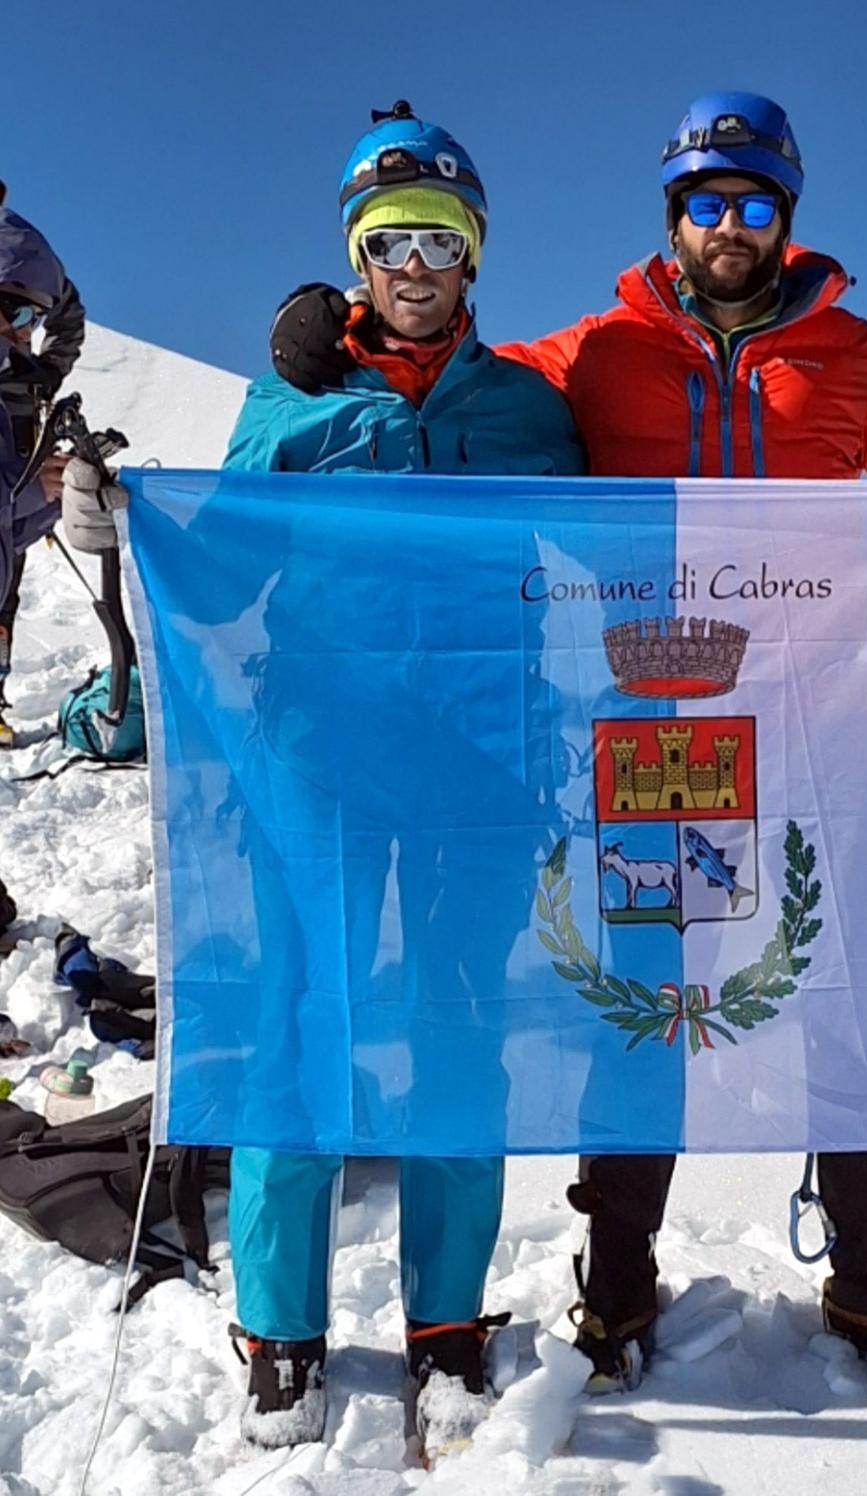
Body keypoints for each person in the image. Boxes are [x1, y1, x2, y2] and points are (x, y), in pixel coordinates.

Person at [273, 90, 867, 1407]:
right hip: (661, 741)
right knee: (646, 1009)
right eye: (707, 202)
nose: (730, 225)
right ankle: (616, 1283)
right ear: (674, 215)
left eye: (755, 202)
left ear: (787, 216)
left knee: (857, 1004)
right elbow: (451, 374)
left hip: (827, 732)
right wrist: (325, 328)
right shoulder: (596, 354)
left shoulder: (850, 353)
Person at [61, 102, 583, 1457]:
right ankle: (280, 1323)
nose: (417, 264)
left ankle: (447, 1322)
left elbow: (604, 553)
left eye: (443, 239)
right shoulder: (292, 402)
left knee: (457, 1026)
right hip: (320, 763)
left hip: (478, 761)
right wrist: (118, 526)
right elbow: (223, 558)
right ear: (358, 260)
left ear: (476, 256)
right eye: (391, 240)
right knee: (305, 1021)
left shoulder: (530, 409)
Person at [0, 203, 76, 747]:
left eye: (34, 320)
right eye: (21, 317)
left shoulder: (27, 252)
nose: (30, 332)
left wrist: (57, 495)